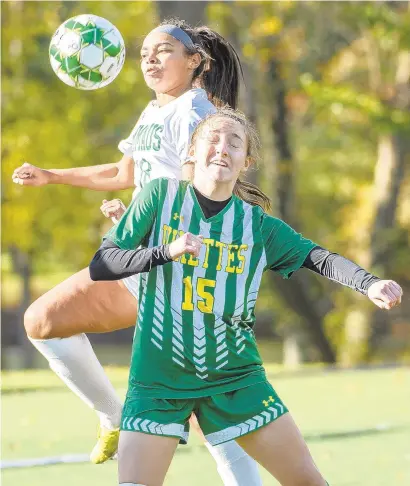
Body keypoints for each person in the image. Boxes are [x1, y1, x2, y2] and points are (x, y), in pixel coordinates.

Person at [89, 108, 403, 486]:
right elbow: (103, 264)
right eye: (213, 139)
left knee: (309, 482)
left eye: (234, 143)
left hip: (235, 378)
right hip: (159, 379)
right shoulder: (159, 196)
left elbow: (317, 257)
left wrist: (368, 284)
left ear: (245, 162)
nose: (222, 148)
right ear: (191, 151)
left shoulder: (257, 225)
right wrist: (165, 251)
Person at [11, 19, 264, 484]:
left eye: (164, 50)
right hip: (145, 260)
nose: (150, 58)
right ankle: (113, 415)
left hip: (183, 271)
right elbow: (122, 171)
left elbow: (202, 190)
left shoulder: (194, 112)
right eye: (145, 51)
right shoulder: (156, 111)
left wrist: (152, 221)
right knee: (42, 321)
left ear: (195, 62)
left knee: (213, 420)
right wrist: (52, 175)